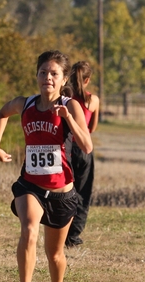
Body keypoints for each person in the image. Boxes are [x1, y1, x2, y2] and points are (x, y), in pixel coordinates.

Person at [0, 50, 93, 282]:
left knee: (55, 255)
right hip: (30, 185)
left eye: (54, 74)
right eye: (43, 72)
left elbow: (87, 146)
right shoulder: (26, 104)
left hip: (61, 192)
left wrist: (69, 119)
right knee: (29, 228)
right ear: (36, 75)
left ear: (63, 79)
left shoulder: (71, 105)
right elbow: (1, 113)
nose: (47, 77)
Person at [65, 61, 100, 247]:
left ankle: (60, 230)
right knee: (82, 192)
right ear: (87, 80)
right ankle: (73, 236)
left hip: (66, 145)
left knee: (64, 190)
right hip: (83, 147)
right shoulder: (92, 100)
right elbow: (92, 128)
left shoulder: (65, 97)